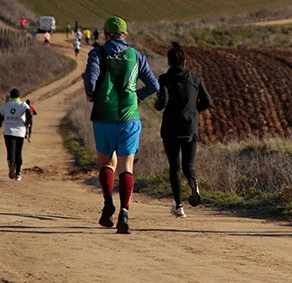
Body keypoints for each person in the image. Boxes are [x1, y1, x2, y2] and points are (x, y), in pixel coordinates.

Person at [83, 16, 160, 234]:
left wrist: (92, 94)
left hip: (103, 116)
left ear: (106, 35)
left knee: (106, 163)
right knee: (126, 166)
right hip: (129, 116)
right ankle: (124, 212)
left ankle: (108, 203)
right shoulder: (136, 56)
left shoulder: (97, 53)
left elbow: (90, 80)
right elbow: (154, 85)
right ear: (125, 35)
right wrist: (137, 97)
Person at [155, 42, 213, 218]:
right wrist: (193, 111)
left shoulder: (164, 79)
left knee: (174, 168)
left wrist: (157, 103)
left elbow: (162, 103)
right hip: (190, 126)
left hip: (171, 127)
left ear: (169, 61)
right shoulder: (195, 79)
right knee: (188, 166)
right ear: (185, 61)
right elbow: (208, 101)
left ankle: (179, 207)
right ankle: (193, 183)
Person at [1, 88, 32, 180]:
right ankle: (18, 173)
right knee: (18, 152)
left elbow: (0, 114)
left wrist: (0, 122)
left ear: (10, 96)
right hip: (20, 132)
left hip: (8, 131)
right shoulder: (22, 105)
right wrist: (27, 122)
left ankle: (11, 164)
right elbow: (29, 112)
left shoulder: (5, 105)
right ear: (19, 96)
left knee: (10, 151)